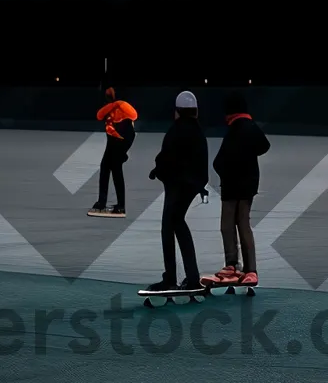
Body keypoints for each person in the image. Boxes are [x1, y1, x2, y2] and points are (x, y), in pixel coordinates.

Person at [203, 90, 270, 287]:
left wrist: (227, 172)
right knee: (243, 224)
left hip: (232, 187)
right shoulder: (251, 127)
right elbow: (264, 146)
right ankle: (251, 270)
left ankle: (232, 265)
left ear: (230, 112)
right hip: (248, 185)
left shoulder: (234, 130)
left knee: (227, 225)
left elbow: (219, 161)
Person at [146, 90, 209, 292]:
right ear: (196, 111)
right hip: (191, 186)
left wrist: (157, 171)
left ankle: (172, 277)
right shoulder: (199, 132)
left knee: (169, 226)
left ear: (177, 112)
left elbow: (166, 158)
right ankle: (191, 277)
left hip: (176, 185)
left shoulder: (176, 130)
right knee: (178, 222)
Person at [88, 87, 137, 217]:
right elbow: (99, 116)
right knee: (105, 167)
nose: (108, 94)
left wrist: (116, 104)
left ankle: (121, 206)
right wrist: (112, 106)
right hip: (112, 139)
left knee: (115, 168)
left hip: (123, 138)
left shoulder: (122, 105)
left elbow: (134, 115)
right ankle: (102, 202)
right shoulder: (109, 107)